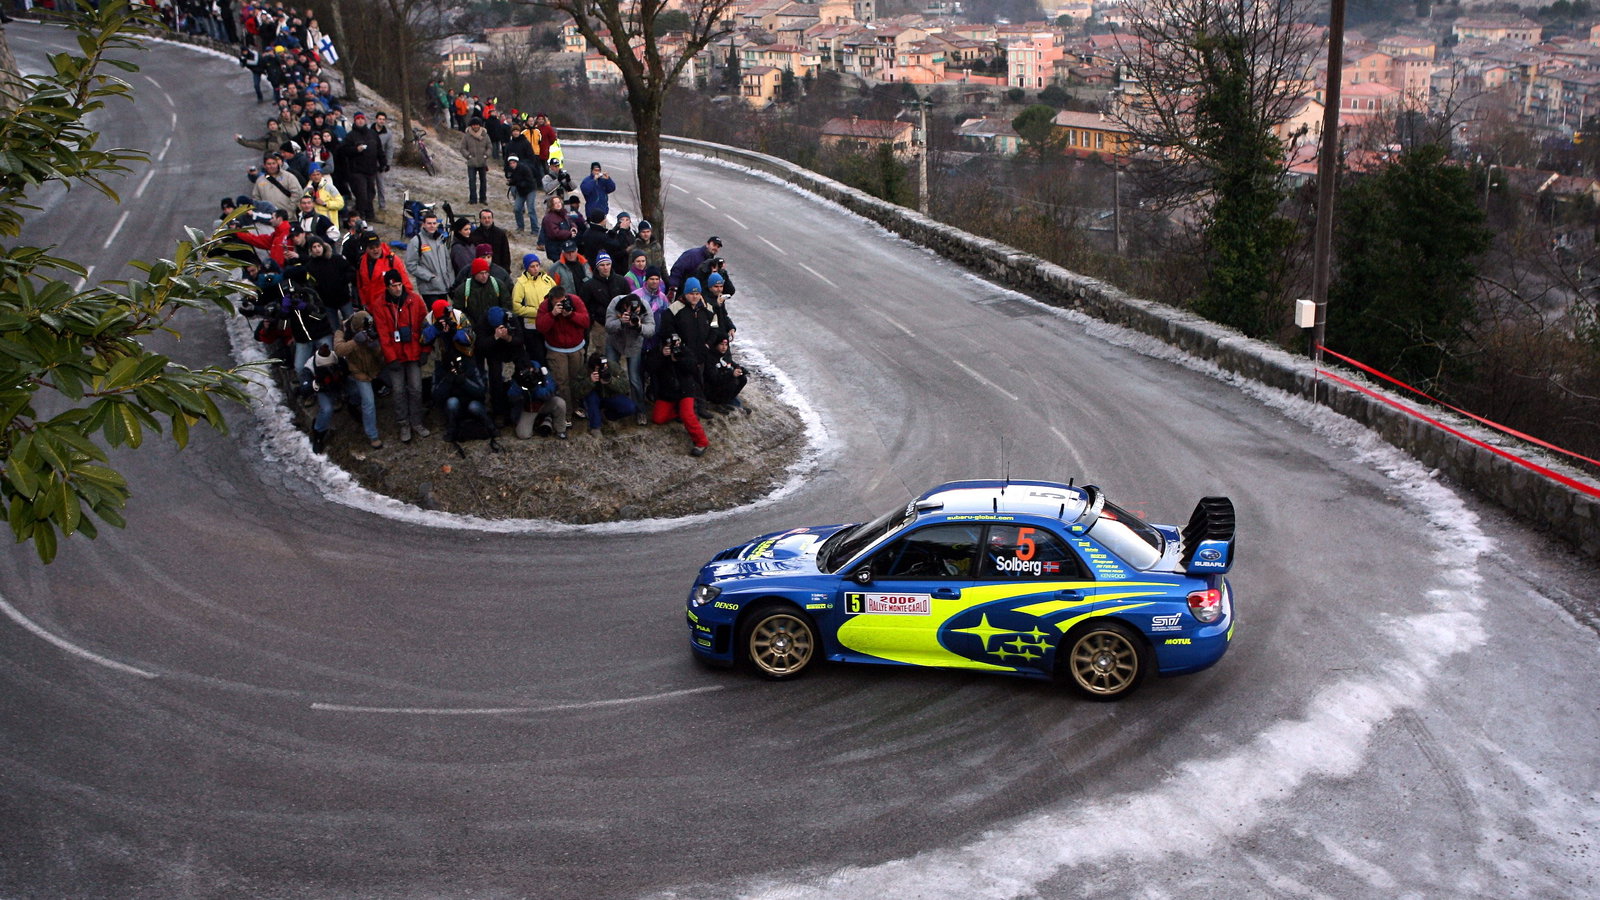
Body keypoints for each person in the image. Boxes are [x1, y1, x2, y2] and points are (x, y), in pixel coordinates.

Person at [368, 269, 429, 443]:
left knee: (416, 389)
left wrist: (424, 351)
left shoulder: (415, 300)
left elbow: (424, 327)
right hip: (395, 355)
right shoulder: (380, 305)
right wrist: (391, 358)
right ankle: (403, 423)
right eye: (393, 286)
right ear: (387, 286)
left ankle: (417, 421)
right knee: (398, 391)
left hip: (413, 352)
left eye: (399, 284)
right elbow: (383, 334)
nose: (397, 289)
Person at [535, 284, 590, 429]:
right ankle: (566, 412)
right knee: (561, 382)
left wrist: (571, 314)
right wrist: (552, 314)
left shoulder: (575, 301)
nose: (561, 303)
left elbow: (586, 321)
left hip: (576, 348)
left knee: (576, 380)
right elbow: (540, 327)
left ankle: (577, 406)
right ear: (552, 300)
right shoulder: (544, 307)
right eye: (557, 302)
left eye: (563, 300)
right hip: (556, 349)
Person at [646, 334, 710, 456]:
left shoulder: (684, 350)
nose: (673, 346)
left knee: (687, 415)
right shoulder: (658, 351)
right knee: (658, 418)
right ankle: (677, 411)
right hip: (667, 392)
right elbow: (649, 367)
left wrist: (679, 359)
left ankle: (701, 442)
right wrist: (661, 355)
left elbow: (693, 368)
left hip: (685, 390)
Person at [432, 332, 497, 445]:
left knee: (474, 406)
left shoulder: (470, 365)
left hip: (471, 401)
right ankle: (451, 430)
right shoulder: (441, 368)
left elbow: (481, 391)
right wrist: (448, 380)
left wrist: (465, 381)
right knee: (452, 403)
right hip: (453, 403)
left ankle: (491, 427)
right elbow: (436, 395)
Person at [333, 309, 386, 448]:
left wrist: (374, 345)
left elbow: (381, 354)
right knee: (368, 403)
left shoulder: (374, 327)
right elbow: (339, 350)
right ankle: (373, 436)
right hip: (359, 372)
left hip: (376, 368)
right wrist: (355, 341)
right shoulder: (342, 330)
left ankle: (354, 401)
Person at [605, 291, 655, 426]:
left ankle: (640, 410)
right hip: (614, 343)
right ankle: (611, 405)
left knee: (635, 378)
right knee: (610, 373)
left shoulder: (645, 306)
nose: (634, 312)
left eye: (636, 311)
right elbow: (608, 327)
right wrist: (620, 322)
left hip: (634, 345)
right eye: (631, 310)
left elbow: (651, 330)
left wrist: (639, 326)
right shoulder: (615, 303)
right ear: (625, 306)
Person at [477, 306, 530, 427]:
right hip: (493, 351)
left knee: (524, 370)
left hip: (512, 348)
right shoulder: (482, 322)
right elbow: (480, 346)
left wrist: (507, 337)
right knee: (495, 379)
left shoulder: (511, 318)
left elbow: (520, 340)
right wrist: (495, 337)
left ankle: (524, 402)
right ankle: (498, 411)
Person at [579, 250, 630, 357]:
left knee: (620, 354)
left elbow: (628, 300)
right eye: (602, 265)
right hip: (600, 325)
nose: (605, 267)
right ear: (597, 267)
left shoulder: (621, 281)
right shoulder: (589, 285)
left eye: (608, 264)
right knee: (602, 354)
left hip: (619, 323)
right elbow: (584, 306)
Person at [299, 343, 346, 453]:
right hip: (323, 389)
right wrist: (314, 385)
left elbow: (348, 369)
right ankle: (318, 434)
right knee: (327, 409)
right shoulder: (309, 367)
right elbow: (303, 388)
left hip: (340, 384)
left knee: (356, 391)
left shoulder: (338, 357)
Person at [338, 111, 384, 221]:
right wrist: (355, 150)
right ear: (354, 121)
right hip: (356, 170)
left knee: (371, 193)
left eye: (362, 118)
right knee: (361, 193)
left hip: (371, 169)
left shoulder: (372, 134)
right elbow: (342, 150)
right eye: (357, 119)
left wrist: (383, 163)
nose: (360, 120)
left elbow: (379, 150)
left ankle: (370, 215)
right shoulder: (350, 136)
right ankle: (361, 215)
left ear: (365, 120)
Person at [579, 352, 637, 436]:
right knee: (591, 398)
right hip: (594, 398)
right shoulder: (585, 369)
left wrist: (611, 381)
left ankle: (608, 416)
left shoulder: (612, 366)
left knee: (630, 407)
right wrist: (590, 381)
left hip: (610, 396)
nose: (602, 369)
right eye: (599, 368)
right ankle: (595, 427)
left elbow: (625, 386)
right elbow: (577, 390)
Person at [511, 253, 555, 363]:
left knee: (550, 354)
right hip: (532, 327)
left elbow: (557, 296)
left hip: (549, 324)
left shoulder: (547, 280)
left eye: (537, 265)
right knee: (537, 356)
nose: (535, 269)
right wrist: (537, 312)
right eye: (532, 266)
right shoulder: (521, 284)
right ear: (526, 267)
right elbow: (516, 307)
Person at [352, 232, 412, 310]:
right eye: (371, 248)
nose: (375, 250)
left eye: (377, 246)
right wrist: (364, 303)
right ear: (365, 249)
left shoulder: (392, 260)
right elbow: (361, 286)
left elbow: (405, 283)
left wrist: (408, 303)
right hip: (371, 307)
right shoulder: (361, 262)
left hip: (389, 307)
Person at [451, 258, 510, 334]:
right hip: (475, 330)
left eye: (486, 272)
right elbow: (458, 312)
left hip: (497, 328)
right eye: (481, 273)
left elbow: (507, 304)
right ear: (475, 274)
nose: (484, 276)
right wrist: (472, 325)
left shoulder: (497, 285)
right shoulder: (463, 290)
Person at [404, 211, 453, 302]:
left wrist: (451, 280)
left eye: (434, 223)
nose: (432, 226)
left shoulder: (440, 239)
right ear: (424, 224)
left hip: (444, 286)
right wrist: (429, 276)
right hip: (429, 288)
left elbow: (447, 261)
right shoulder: (416, 241)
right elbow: (411, 265)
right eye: (429, 223)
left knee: (445, 314)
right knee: (437, 315)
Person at [703, 331, 748, 409]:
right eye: (721, 344)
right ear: (716, 345)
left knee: (743, 378)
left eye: (726, 345)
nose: (724, 347)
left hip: (723, 385)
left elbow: (731, 363)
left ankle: (729, 399)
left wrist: (740, 369)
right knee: (732, 381)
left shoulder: (726, 355)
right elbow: (713, 378)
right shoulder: (710, 358)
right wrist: (731, 374)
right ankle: (720, 402)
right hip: (712, 389)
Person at [461, 116, 491, 205]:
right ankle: (473, 199)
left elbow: (489, 147)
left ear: (480, 125)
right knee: (472, 181)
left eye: (477, 125)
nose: (475, 127)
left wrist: (486, 155)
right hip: (471, 163)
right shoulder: (467, 136)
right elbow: (462, 148)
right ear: (471, 126)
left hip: (482, 162)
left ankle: (483, 199)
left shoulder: (485, 135)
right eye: (473, 125)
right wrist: (468, 156)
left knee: (483, 181)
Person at [505, 155, 538, 233]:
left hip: (530, 190)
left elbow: (529, 180)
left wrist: (518, 183)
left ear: (517, 162)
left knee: (531, 209)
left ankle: (535, 229)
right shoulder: (511, 170)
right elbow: (512, 179)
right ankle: (520, 227)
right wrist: (510, 182)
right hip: (521, 191)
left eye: (513, 163)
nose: (512, 165)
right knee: (517, 209)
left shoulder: (524, 168)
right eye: (511, 163)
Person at [540, 195, 575, 261]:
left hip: (565, 247)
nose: (558, 204)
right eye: (555, 203)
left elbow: (571, 221)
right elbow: (554, 233)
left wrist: (573, 228)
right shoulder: (549, 218)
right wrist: (569, 233)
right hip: (556, 250)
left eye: (559, 202)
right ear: (551, 205)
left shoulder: (564, 213)